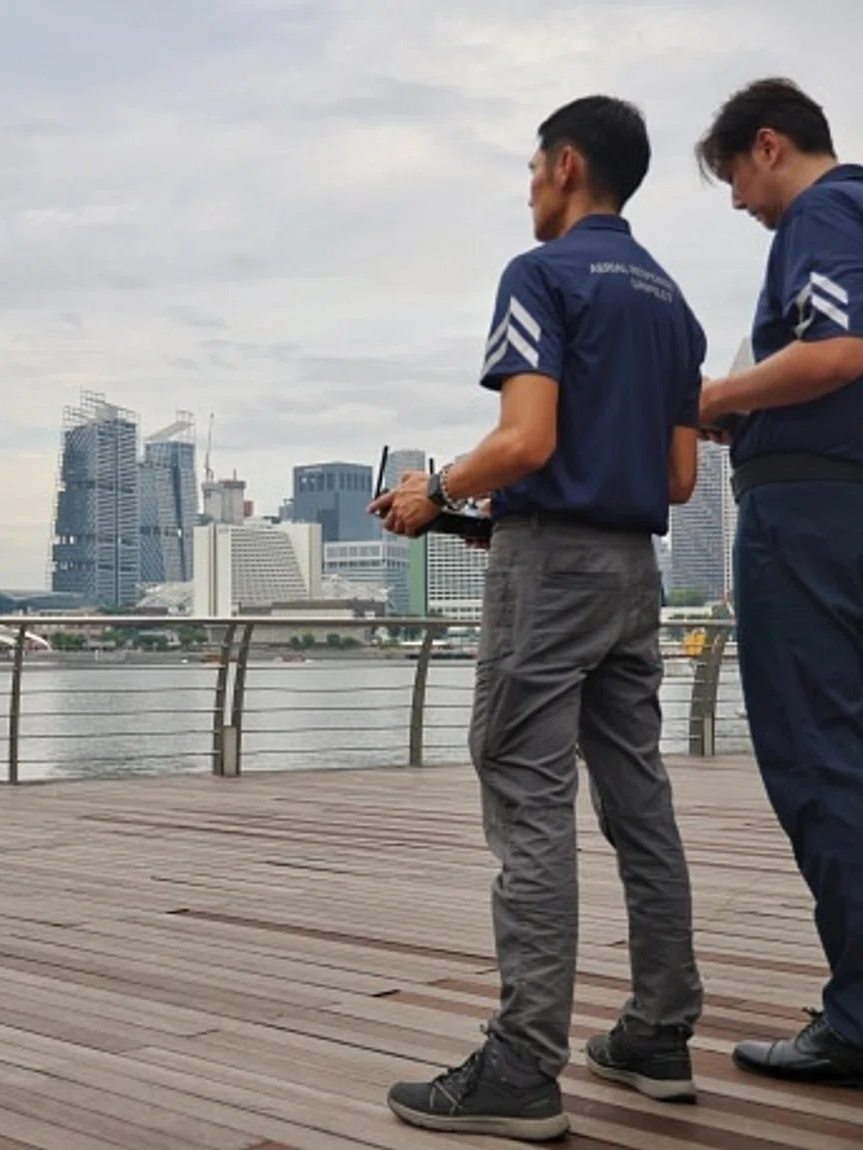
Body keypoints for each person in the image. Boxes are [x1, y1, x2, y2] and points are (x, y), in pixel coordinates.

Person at [370, 94, 707, 1141]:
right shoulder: (673, 304)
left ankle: (521, 1063)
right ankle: (658, 1029)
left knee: (527, 801)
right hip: (630, 575)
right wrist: (490, 522)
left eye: (530, 170)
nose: (527, 188)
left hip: (550, 576)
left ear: (567, 165)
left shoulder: (542, 276)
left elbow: (524, 438)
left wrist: (438, 487)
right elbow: (681, 476)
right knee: (638, 801)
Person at [694, 77, 863, 1093]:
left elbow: (840, 347)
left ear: (769, 144)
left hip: (804, 518)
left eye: (734, 177)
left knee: (819, 759)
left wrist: (722, 397)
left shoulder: (822, 212)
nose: (738, 203)